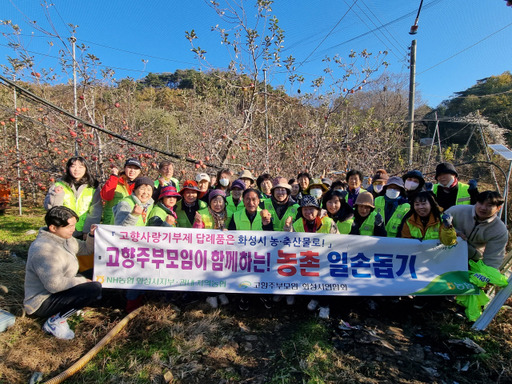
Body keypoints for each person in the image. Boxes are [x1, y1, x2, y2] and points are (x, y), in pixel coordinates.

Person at [24, 206, 102, 339]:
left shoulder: (65, 239)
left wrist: (91, 235)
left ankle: (71, 308)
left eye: (74, 226)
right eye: (69, 226)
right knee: (92, 288)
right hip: (42, 301)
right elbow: (54, 285)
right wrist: (81, 281)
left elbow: (86, 249)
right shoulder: (43, 249)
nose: (73, 229)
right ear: (53, 228)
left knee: (97, 274)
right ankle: (55, 321)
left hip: (60, 289)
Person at [286, 195, 338, 318]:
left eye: (311, 209)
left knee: (325, 281)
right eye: (305, 209)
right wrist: (287, 231)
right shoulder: (298, 224)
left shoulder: (328, 222)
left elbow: (338, 241)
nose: (308, 212)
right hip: (307, 259)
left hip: (326, 259)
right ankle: (315, 298)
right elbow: (291, 242)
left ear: (318, 210)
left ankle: (325, 305)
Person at [227, 188, 273, 310]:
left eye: (254, 199)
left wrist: (267, 224)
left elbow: (271, 236)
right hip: (242, 254)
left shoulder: (266, 214)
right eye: (247, 199)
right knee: (243, 275)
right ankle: (244, 296)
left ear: (258, 201)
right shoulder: (236, 216)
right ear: (243, 200)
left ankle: (264, 295)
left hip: (260, 254)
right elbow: (231, 235)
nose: (250, 202)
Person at [446, 191, 508, 269]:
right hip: (444, 250)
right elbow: (437, 225)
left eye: (489, 205)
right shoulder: (456, 211)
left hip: (472, 259)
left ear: (498, 208)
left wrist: (487, 276)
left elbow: (493, 259)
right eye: (481, 203)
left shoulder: (499, 230)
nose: (483, 208)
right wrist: (453, 232)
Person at [44, 156, 102, 239]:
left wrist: (88, 231)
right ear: (68, 168)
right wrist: (56, 195)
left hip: (83, 230)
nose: (76, 170)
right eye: (73, 166)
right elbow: (51, 209)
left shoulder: (93, 187)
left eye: (80, 167)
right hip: (63, 229)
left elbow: (95, 211)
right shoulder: (59, 185)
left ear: (86, 169)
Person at [101, 158, 142, 224]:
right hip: (112, 222)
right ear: (124, 168)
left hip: (133, 222)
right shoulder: (115, 180)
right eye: (129, 167)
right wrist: (114, 176)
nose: (132, 170)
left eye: (135, 168)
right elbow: (106, 196)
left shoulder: (141, 186)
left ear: (139, 171)